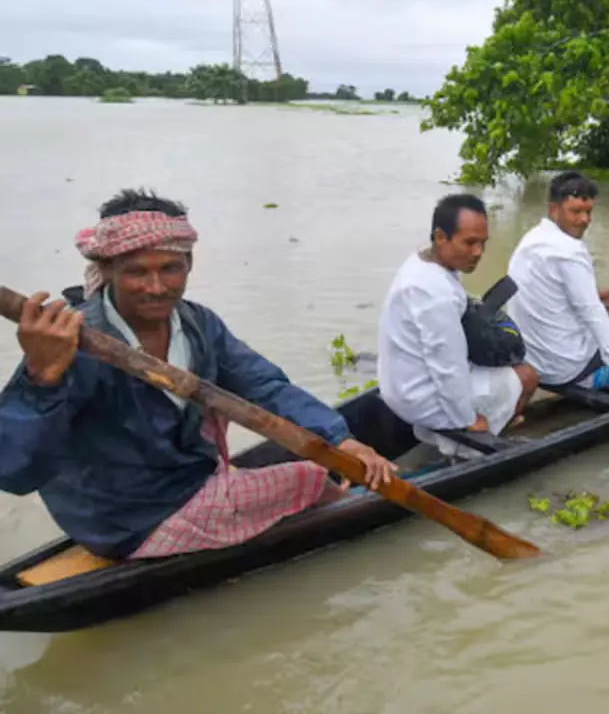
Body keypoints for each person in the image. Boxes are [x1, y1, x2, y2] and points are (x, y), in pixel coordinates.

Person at [0, 189, 397, 561]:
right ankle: (346, 513)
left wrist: (339, 438)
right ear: (107, 269)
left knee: (301, 460)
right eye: (137, 272)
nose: (156, 288)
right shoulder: (73, 343)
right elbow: (14, 473)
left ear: (189, 263)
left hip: (180, 481)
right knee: (308, 477)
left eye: (171, 268)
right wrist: (42, 378)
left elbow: (264, 385)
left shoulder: (197, 324)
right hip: (125, 519)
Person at [377, 194, 539, 458]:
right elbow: (447, 367)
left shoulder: (422, 262)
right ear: (441, 236)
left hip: (398, 386)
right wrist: (467, 419)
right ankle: (472, 448)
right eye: (469, 243)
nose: (478, 253)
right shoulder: (434, 293)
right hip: (419, 396)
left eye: (483, 243)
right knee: (527, 376)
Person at [506, 171, 609, 403]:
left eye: (588, 212)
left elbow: (551, 289)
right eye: (575, 212)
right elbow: (593, 315)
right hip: (565, 366)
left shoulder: (531, 239)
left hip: (530, 359)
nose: (584, 220)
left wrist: (593, 293)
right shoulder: (570, 251)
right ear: (554, 210)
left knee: (608, 311)